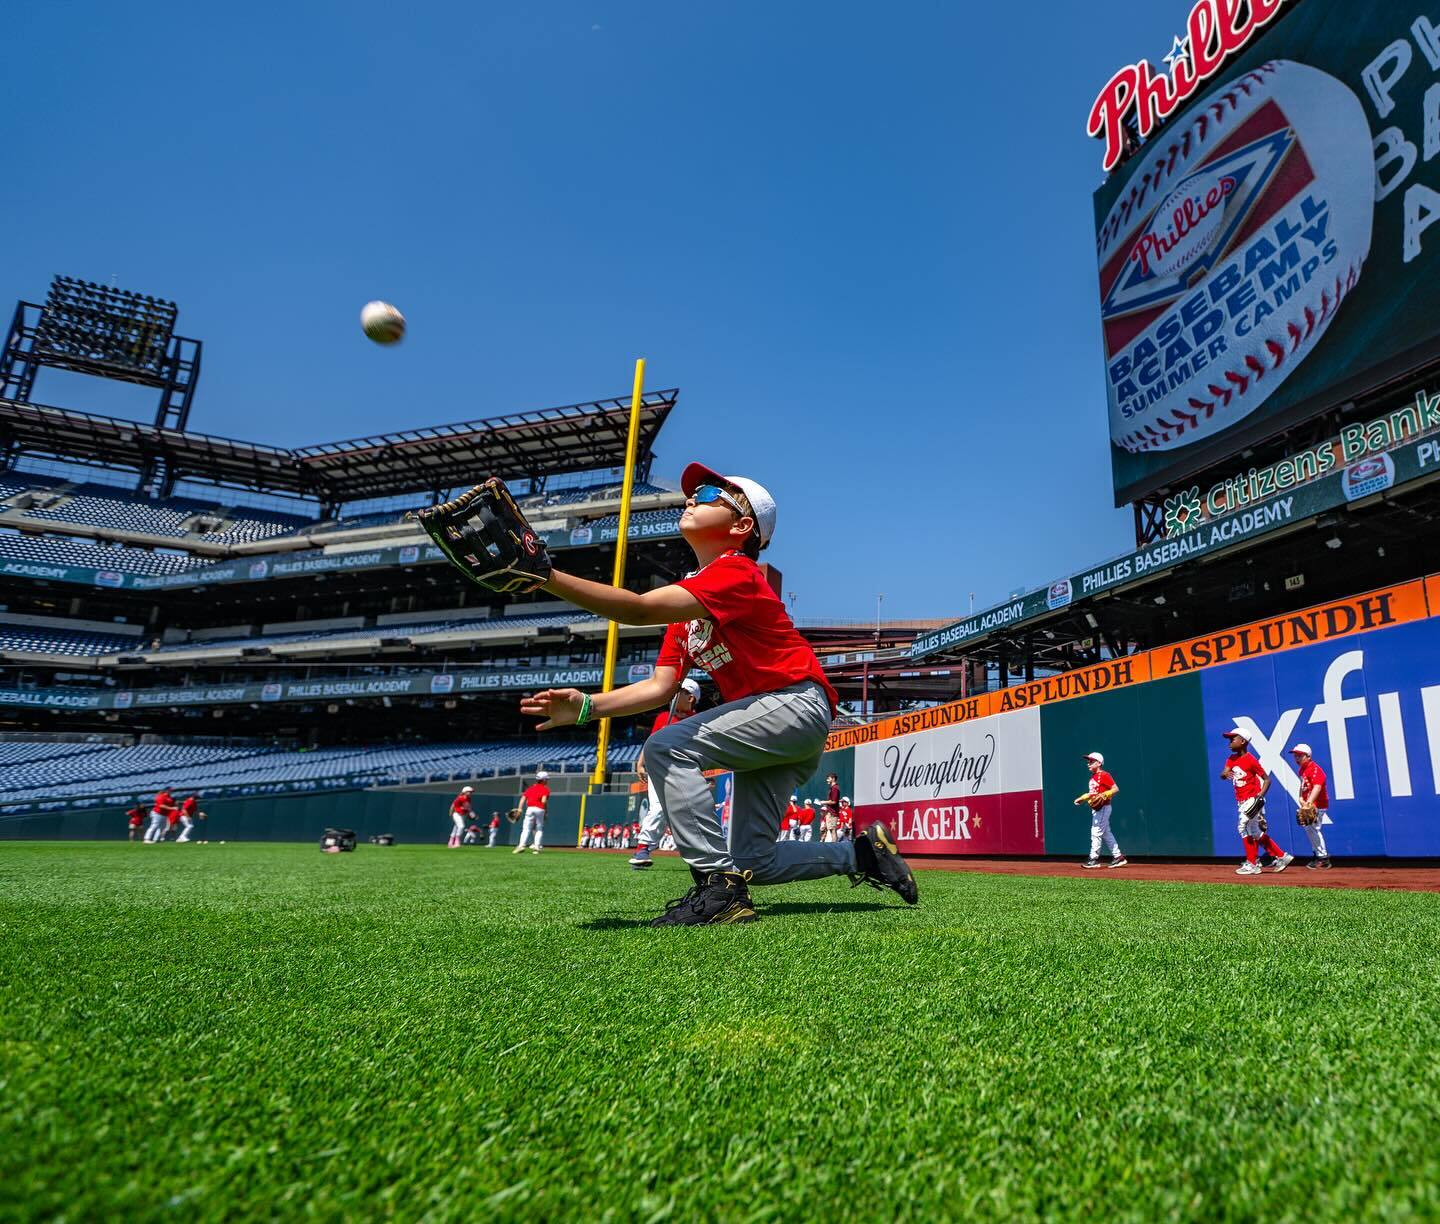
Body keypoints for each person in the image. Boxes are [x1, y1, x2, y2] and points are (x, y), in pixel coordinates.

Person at [519, 462, 916, 925]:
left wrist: (545, 575)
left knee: (666, 746)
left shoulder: (736, 572)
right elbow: (660, 687)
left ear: (741, 526)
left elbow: (637, 609)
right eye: (694, 493)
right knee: (755, 862)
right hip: (774, 721)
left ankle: (718, 888)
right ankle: (863, 855)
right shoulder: (691, 599)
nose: (691, 498)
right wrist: (587, 707)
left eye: (709, 494)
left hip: (794, 704)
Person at [631, 677, 703, 868]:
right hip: (658, 767)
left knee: (690, 811)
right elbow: (651, 741)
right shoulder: (663, 717)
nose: (673, 695)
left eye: (679, 692)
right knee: (658, 808)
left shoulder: (698, 721)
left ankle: (702, 855)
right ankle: (643, 848)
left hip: (683, 770)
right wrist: (640, 763)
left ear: (691, 698)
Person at [1221, 729, 1293, 875]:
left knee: (1242, 827)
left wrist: (1259, 796)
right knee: (1255, 832)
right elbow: (1224, 773)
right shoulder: (1231, 758)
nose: (1230, 742)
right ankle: (1282, 856)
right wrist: (1225, 774)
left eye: (1233, 739)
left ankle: (1252, 864)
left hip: (1252, 800)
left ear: (1243, 741)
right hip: (1241, 801)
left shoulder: (1250, 760)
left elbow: (1267, 779)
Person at [1073, 752, 1127, 868]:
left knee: (1096, 832)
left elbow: (1115, 789)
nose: (1088, 763)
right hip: (1098, 809)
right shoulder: (1093, 777)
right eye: (1088, 761)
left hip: (1103, 808)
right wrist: (1082, 798)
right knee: (1106, 833)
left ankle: (1093, 859)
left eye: (1091, 761)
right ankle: (1118, 857)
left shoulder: (1104, 775)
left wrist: (1105, 794)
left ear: (1099, 763)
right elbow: (1092, 794)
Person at [1290, 743, 1334, 870]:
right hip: (1310, 804)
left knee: (1313, 828)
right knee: (1309, 829)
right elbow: (1303, 785)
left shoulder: (1315, 769)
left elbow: (1317, 787)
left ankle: (1323, 858)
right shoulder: (1302, 769)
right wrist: (1300, 797)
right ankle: (1319, 854)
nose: (1296, 758)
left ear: (1308, 756)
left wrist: (1309, 803)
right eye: (1295, 755)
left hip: (1318, 804)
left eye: (1300, 755)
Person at [514, 770, 550, 854]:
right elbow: (543, 801)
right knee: (539, 829)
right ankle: (536, 848)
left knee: (526, 829)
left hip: (530, 809)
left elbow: (523, 799)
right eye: (547, 779)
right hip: (540, 809)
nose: (547, 781)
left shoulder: (530, 788)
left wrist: (519, 809)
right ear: (543, 780)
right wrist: (546, 812)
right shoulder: (545, 789)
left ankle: (521, 846)